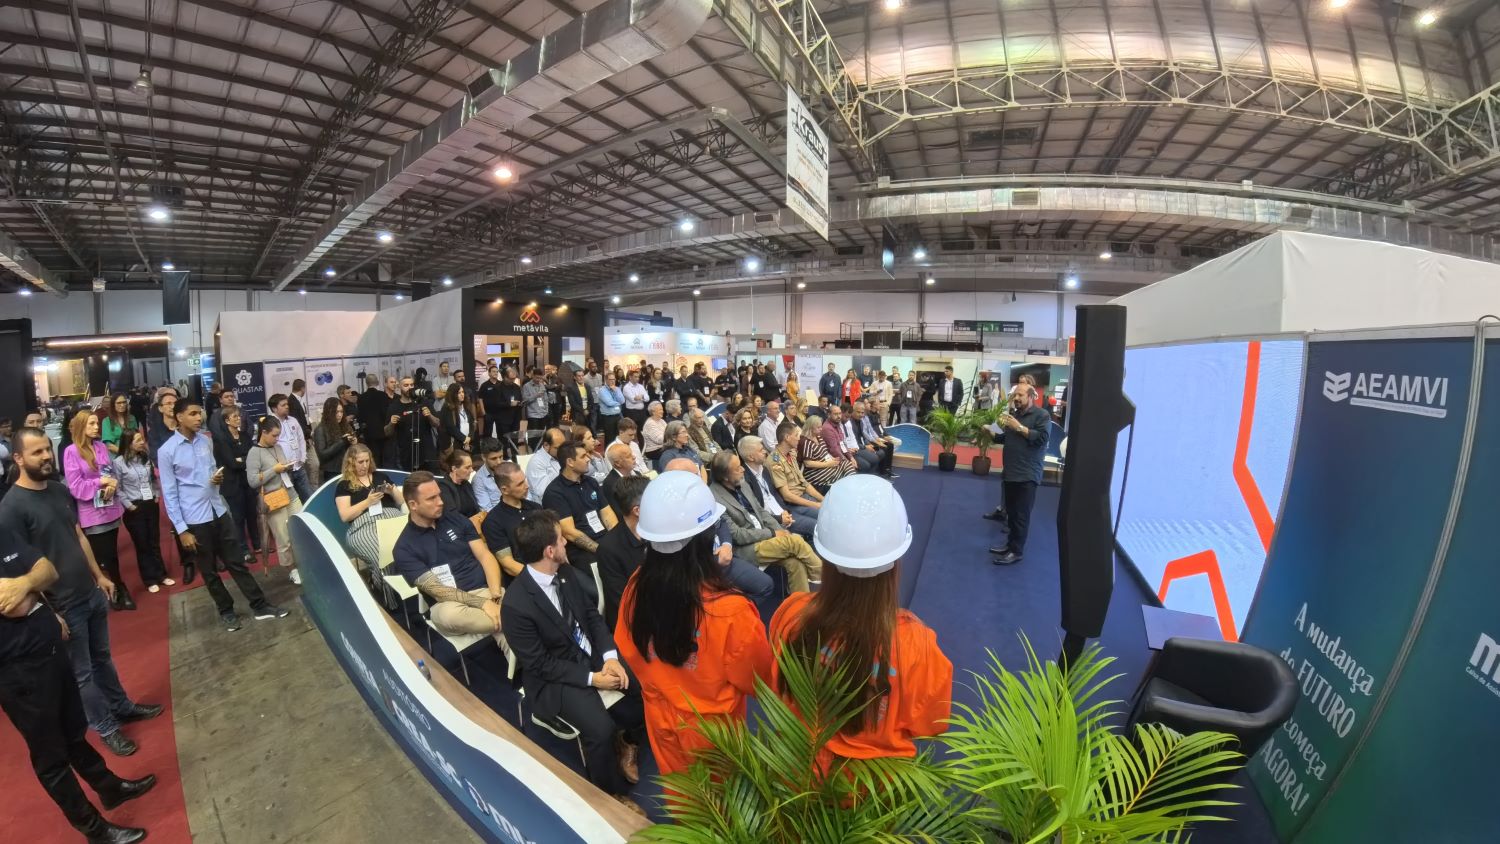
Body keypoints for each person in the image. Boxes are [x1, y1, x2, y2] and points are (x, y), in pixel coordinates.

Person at [0, 427, 163, 758]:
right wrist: (51, 614)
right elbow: (19, 572)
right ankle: (106, 728)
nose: (46, 456)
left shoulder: (58, 490)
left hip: (89, 592)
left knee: (102, 658)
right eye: (36, 452)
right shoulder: (11, 509)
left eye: (47, 449)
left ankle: (121, 706)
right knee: (82, 674)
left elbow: (77, 535)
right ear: (18, 458)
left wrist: (98, 575)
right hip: (62, 604)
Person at [770, 475, 952, 766]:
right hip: (874, 785)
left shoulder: (791, 615)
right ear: (895, 561)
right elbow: (930, 724)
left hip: (797, 774)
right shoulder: (916, 645)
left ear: (824, 556)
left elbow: (776, 687)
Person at [0, 524, 157, 844]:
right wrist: (30, 588)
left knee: (74, 732)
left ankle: (109, 788)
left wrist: (27, 585)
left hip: (50, 649)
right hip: (16, 671)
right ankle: (94, 830)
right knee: (51, 756)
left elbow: (47, 570)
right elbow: (16, 607)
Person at [614, 471, 772, 777]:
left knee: (683, 797)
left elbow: (628, 648)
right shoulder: (729, 610)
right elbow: (758, 679)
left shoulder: (636, 586)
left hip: (660, 720)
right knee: (723, 802)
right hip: (715, 735)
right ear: (706, 538)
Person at [502, 511, 646, 806]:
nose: (566, 542)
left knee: (639, 691)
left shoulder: (565, 573)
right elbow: (540, 664)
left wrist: (610, 657)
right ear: (549, 551)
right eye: (561, 539)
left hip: (590, 656)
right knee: (600, 731)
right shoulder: (516, 605)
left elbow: (592, 618)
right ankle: (610, 796)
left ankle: (626, 743)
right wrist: (593, 679)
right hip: (555, 679)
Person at [161, 403, 289, 630]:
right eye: (192, 414)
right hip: (195, 519)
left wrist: (216, 479)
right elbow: (169, 494)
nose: (198, 417)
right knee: (209, 570)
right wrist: (181, 529)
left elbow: (212, 471)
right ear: (179, 417)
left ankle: (259, 605)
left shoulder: (205, 441)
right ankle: (226, 610)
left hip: (218, 510)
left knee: (236, 562)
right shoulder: (167, 451)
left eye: (199, 413)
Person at [394, 472, 508, 650]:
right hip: (448, 604)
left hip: (486, 591)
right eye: (431, 498)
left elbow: (485, 556)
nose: (440, 501)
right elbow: (439, 591)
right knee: (449, 615)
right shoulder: (404, 548)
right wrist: (483, 604)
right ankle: (517, 618)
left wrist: (495, 594)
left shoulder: (455, 519)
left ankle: (513, 625)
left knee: (511, 637)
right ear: (413, 505)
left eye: (439, 495)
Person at [708, 450, 822, 594]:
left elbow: (761, 511)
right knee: (795, 541)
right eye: (737, 468)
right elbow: (737, 535)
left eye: (741, 465)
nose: (743, 469)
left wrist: (780, 530)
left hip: (764, 535)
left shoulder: (742, 484)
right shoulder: (714, 498)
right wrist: (773, 533)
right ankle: (820, 575)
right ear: (725, 477)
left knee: (795, 563)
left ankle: (800, 603)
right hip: (746, 548)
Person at [61, 413, 134, 612]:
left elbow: (109, 472)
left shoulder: (100, 446)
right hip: (91, 512)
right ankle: (117, 588)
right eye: (91, 423)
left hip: (110, 506)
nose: (96, 427)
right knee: (105, 555)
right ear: (81, 426)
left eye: (96, 423)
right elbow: (76, 486)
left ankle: (117, 586)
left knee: (112, 553)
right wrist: (100, 482)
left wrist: (111, 483)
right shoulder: (71, 451)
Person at [541, 442, 615, 596]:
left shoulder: (591, 482)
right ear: (570, 462)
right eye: (583, 456)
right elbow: (569, 532)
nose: (589, 459)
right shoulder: (555, 493)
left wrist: (617, 540)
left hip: (605, 541)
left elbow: (607, 514)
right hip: (580, 550)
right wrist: (601, 550)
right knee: (609, 579)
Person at [989, 384, 1052, 566]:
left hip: (1027, 475)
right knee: (1012, 514)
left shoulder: (1042, 415)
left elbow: (1042, 439)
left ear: (1031, 396)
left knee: (1021, 516)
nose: (1016, 398)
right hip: (1011, 472)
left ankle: (1016, 551)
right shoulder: (1014, 415)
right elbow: (1002, 437)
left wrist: (1019, 428)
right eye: (1015, 395)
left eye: (1020, 395)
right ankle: (1010, 545)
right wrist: (991, 427)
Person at [111, 431, 172, 594]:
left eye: (142, 439)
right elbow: (117, 487)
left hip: (150, 503)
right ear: (129, 443)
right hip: (134, 507)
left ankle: (161, 574)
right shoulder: (118, 463)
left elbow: (153, 479)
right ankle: (149, 578)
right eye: (138, 440)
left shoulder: (145, 458)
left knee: (154, 541)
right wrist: (129, 505)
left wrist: (157, 495)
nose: (142, 442)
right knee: (142, 544)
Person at [246, 415, 303, 585]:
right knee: (283, 539)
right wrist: (274, 470)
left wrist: (287, 466)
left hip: (291, 494)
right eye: (274, 435)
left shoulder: (278, 447)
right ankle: (292, 569)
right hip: (274, 500)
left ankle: (303, 563)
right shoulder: (254, 453)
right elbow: (252, 481)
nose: (277, 439)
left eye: (279, 435)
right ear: (263, 432)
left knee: (300, 530)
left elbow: (281, 467)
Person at [335, 444, 406, 568]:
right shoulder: (344, 485)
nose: (365, 465)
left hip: (392, 518)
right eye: (360, 462)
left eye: (367, 461)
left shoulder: (380, 476)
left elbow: (401, 501)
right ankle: (385, 579)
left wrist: (392, 491)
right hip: (365, 526)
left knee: (413, 546)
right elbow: (345, 516)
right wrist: (367, 502)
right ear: (351, 463)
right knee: (384, 558)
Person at [595, 475, 648, 631]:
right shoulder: (609, 549)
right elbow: (623, 603)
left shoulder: (658, 534)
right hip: (634, 625)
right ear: (637, 511)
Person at [737, 437, 815, 539]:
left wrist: (784, 511)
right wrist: (779, 519)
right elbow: (756, 511)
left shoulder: (764, 470)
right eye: (761, 450)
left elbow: (774, 494)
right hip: (772, 521)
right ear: (751, 457)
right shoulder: (744, 480)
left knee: (820, 515)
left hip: (785, 511)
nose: (765, 451)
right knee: (815, 526)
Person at [212, 405, 260, 565]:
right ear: (227, 421)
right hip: (232, 484)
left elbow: (253, 457)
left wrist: (241, 459)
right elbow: (231, 464)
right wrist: (243, 460)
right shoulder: (221, 440)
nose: (239, 419)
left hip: (247, 481)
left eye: (239, 416)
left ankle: (257, 544)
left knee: (252, 514)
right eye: (235, 417)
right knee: (238, 518)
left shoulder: (244, 436)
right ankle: (244, 550)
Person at [478, 462, 533, 586]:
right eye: (520, 484)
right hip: (522, 581)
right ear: (504, 490)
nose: (527, 486)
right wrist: (540, 577)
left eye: (524, 480)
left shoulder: (536, 508)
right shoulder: (493, 522)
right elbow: (508, 565)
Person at [770, 420, 825, 516]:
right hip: (794, 504)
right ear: (787, 438)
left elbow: (804, 483)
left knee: (830, 508)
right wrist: (815, 505)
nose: (799, 438)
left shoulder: (791, 454)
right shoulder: (775, 461)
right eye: (796, 435)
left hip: (805, 497)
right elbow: (787, 496)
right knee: (825, 515)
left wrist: (823, 500)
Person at [266, 393, 314, 503]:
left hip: (299, 466)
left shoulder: (293, 420)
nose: (287, 407)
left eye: (287, 404)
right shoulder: (269, 424)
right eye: (283, 405)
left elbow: (301, 439)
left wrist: (303, 457)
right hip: (284, 470)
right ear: (274, 408)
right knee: (291, 501)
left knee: (308, 497)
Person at [386, 376, 439, 471]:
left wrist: (430, 415)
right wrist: (391, 423)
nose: (410, 387)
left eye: (411, 385)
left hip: (426, 452)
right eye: (406, 385)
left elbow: (437, 423)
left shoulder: (424, 402)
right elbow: (387, 432)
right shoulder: (394, 407)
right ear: (399, 387)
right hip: (406, 454)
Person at [797, 415, 849, 494]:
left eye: (821, 427)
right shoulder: (805, 442)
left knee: (847, 464)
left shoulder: (818, 437)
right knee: (841, 475)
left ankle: (848, 485)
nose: (821, 429)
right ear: (811, 428)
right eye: (818, 427)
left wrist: (832, 459)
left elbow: (825, 452)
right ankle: (844, 487)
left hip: (826, 464)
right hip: (815, 472)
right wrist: (828, 464)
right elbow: (808, 463)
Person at [823, 404, 878, 475]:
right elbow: (834, 450)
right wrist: (847, 461)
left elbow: (843, 444)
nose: (839, 416)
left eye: (839, 413)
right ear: (829, 415)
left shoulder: (836, 425)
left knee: (872, 460)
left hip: (845, 452)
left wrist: (851, 458)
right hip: (834, 457)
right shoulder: (827, 428)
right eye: (835, 414)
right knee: (865, 465)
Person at [313, 397, 357, 481]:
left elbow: (352, 445)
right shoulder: (320, 429)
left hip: (347, 468)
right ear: (329, 412)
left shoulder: (345, 425)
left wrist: (353, 442)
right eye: (336, 412)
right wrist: (342, 441)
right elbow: (322, 455)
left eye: (341, 411)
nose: (340, 415)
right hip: (331, 472)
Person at [853, 399, 896, 478]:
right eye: (867, 403)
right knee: (882, 450)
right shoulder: (856, 421)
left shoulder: (867, 417)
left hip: (867, 442)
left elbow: (872, 430)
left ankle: (886, 470)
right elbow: (865, 434)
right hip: (863, 445)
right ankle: (881, 473)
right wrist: (874, 442)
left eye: (862, 412)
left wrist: (880, 438)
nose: (868, 405)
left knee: (889, 445)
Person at [524, 427, 565, 505]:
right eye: (558, 448)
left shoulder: (557, 455)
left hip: (561, 498)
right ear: (546, 445)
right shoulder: (536, 462)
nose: (562, 451)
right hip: (547, 505)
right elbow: (544, 492)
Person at [437, 449, 481, 520]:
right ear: (454, 468)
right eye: (467, 467)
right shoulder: (443, 487)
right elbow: (452, 515)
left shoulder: (466, 484)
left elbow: (476, 509)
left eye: (471, 467)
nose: (471, 470)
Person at [358, 374, 390, 465]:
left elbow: (360, 416)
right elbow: (386, 413)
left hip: (368, 432)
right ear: (377, 382)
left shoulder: (361, 397)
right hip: (382, 431)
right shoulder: (383, 395)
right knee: (383, 457)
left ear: (366, 383)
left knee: (371, 456)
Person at [436, 383, 475, 457]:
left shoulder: (466, 406)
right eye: (459, 393)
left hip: (467, 443)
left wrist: (469, 438)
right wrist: (464, 438)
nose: (462, 394)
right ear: (453, 394)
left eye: (463, 392)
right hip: (455, 444)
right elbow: (450, 427)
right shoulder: (447, 408)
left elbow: (472, 424)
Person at [471, 438, 507, 513]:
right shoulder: (478, 480)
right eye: (494, 458)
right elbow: (487, 511)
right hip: (499, 516)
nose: (499, 462)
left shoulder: (509, 467)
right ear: (484, 457)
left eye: (501, 457)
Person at [520, 367, 551, 452]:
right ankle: (533, 451)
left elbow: (545, 399)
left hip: (543, 413)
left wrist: (546, 410)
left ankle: (540, 450)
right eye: (537, 378)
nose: (538, 380)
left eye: (540, 378)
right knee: (533, 435)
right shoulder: (526, 386)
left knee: (541, 434)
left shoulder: (542, 385)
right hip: (533, 414)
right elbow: (525, 400)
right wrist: (536, 395)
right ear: (533, 376)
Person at [596, 372, 624, 446]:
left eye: (614, 379)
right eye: (610, 379)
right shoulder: (602, 390)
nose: (612, 381)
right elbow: (609, 403)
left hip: (618, 416)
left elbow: (622, 401)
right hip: (608, 417)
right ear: (606, 380)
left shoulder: (617, 389)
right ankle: (608, 453)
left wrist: (616, 391)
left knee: (619, 437)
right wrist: (618, 403)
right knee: (610, 438)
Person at [640, 401, 667, 466]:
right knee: (672, 452)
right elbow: (660, 440)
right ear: (653, 412)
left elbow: (669, 432)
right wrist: (672, 437)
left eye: (662, 409)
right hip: (654, 450)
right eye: (660, 410)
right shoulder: (650, 424)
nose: (662, 411)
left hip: (662, 447)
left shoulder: (662, 421)